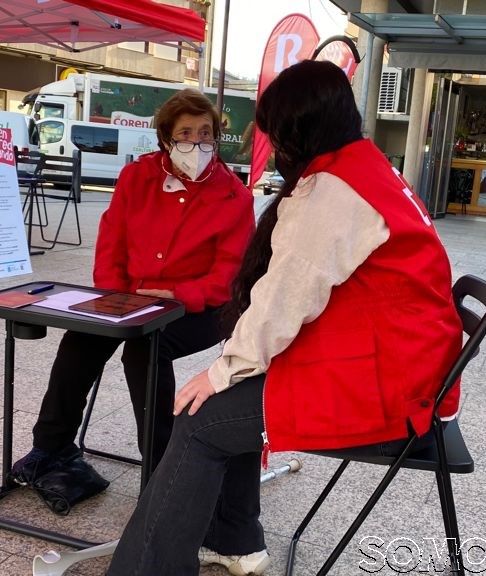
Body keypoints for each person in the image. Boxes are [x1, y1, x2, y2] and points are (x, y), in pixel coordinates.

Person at [105, 60, 465, 576]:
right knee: (222, 404)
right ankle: (233, 539)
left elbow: (285, 298)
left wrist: (223, 370)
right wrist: (232, 372)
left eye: (277, 135)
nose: (275, 148)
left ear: (299, 130)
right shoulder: (364, 166)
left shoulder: (336, 190)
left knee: (201, 417)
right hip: (402, 367)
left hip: (392, 391)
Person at [10, 89, 255, 486]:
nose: (197, 143)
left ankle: (162, 469)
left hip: (202, 307)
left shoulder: (234, 195)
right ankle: (51, 447)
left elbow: (229, 275)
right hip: (130, 296)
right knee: (82, 337)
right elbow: (112, 242)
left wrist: (179, 295)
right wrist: (115, 297)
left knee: (147, 348)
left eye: (205, 133)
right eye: (186, 133)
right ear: (166, 138)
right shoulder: (137, 177)